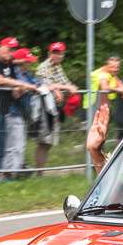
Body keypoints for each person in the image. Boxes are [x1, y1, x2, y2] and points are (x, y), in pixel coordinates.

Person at [0, 37, 36, 180]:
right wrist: (23, 85)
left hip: (5, 108)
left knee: (0, 144)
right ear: (1, 48)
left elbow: (15, 87)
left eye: (13, 50)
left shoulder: (9, 65)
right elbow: (0, 80)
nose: (11, 52)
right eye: (9, 49)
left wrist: (18, 86)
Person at [32, 41, 77, 174]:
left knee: (49, 142)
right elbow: (46, 84)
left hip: (54, 108)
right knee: (43, 141)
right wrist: (63, 87)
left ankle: (41, 171)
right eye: (55, 52)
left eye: (60, 53)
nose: (58, 55)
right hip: (44, 109)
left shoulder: (58, 67)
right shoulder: (44, 66)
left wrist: (65, 87)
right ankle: (39, 173)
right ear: (49, 53)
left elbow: (66, 83)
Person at [2, 47, 41, 179]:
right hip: (13, 112)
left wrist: (38, 87)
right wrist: (29, 88)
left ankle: (16, 173)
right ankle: (9, 175)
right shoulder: (15, 73)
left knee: (19, 145)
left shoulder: (26, 74)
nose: (30, 63)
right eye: (28, 61)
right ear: (21, 61)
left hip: (22, 114)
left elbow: (36, 84)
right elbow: (19, 89)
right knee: (13, 145)